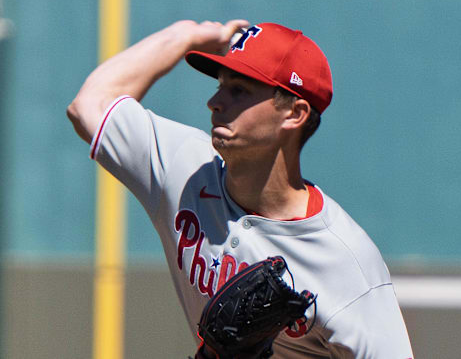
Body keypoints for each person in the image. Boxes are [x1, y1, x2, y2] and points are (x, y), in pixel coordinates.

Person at [67, 19, 414, 358]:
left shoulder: (346, 262)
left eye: (239, 90)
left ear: (295, 113)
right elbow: (88, 107)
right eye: (219, 84)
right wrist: (185, 36)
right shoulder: (186, 167)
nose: (215, 101)